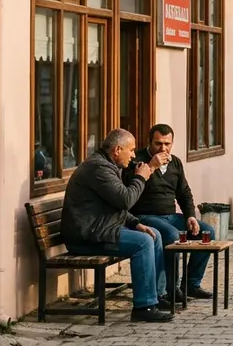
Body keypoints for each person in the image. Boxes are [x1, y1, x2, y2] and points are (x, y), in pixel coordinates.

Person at [61, 129, 172, 323]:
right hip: (86, 237)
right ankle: (144, 306)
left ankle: (157, 296)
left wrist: (135, 223)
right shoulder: (99, 168)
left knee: (153, 234)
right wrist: (142, 177)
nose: (134, 155)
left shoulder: (107, 166)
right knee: (143, 242)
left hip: (99, 229)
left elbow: (115, 205)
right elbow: (125, 200)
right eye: (131, 150)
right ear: (118, 150)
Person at [128, 124, 215, 300]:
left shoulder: (175, 162)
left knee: (207, 232)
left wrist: (190, 216)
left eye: (167, 144)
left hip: (171, 216)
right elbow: (130, 189)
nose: (163, 149)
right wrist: (151, 166)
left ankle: (191, 284)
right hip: (145, 216)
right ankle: (170, 289)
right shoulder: (137, 161)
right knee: (172, 235)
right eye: (158, 144)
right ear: (149, 142)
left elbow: (184, 193)